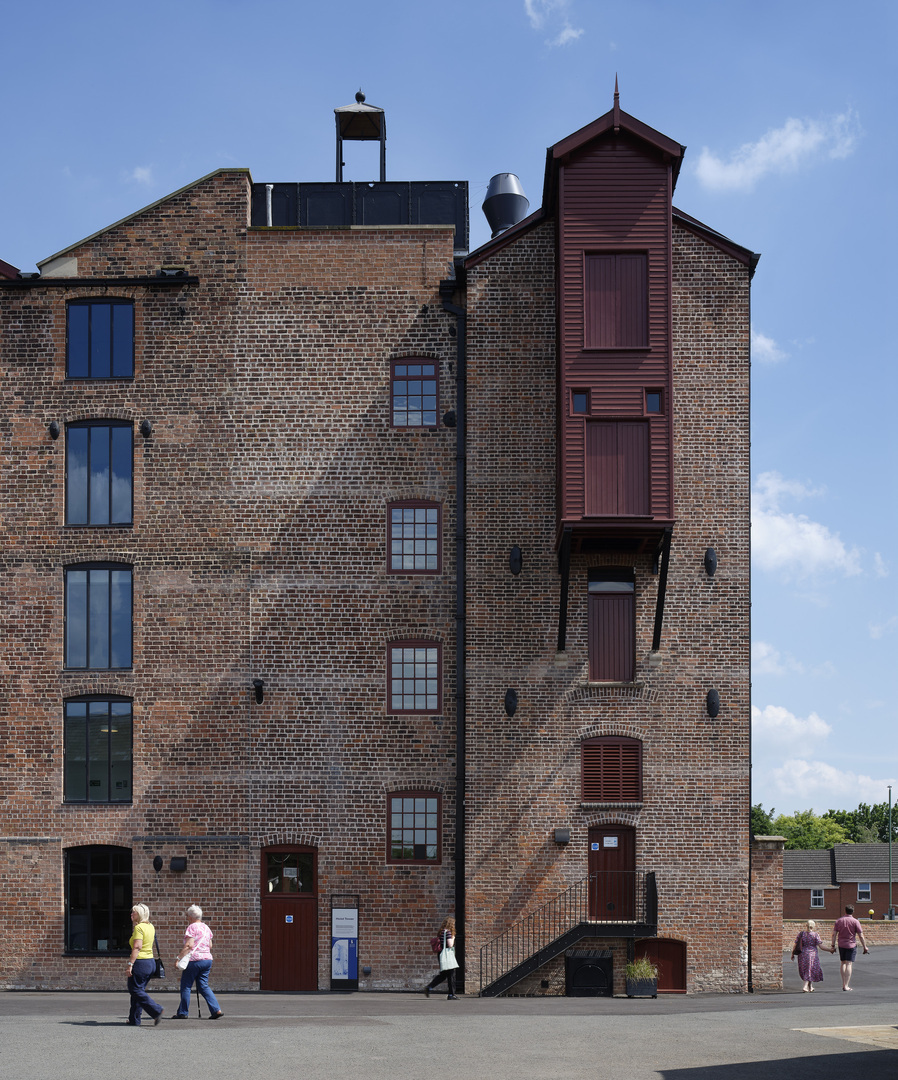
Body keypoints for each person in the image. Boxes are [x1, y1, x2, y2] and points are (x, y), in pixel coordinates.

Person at [172, 904, 224, 1019]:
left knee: (186, 986)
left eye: (187, 916)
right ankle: (216, 1009)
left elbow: (189, 945)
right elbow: (210, 945)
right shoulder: (206, 928)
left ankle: (183, 1012)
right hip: (207, 960)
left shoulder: (191, 927)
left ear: (191, 916)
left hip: (194, 960)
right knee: (203, 986)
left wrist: (178, 958)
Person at [126, 903, 163, 1026]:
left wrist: (130, 964)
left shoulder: (139, 928)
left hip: (140, 963)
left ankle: (157, 1011)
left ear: (140, 914)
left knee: (135, 989)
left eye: (134, 912)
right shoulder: (150, 926)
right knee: (138, 990)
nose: (132, 914)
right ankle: (134, 1020)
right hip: (150, 962)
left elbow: (137, 947)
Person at [831, 904, 869, 991]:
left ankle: (843, 983)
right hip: (851, 945)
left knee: (843, 963)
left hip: (841, 945)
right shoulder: (855, 921)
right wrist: (865, 947)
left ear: (845, 911)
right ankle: (846, 985)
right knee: (849, 963)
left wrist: (833, 946)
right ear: (853, 911)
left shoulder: (839, 921)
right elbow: (861, 936)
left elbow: (834, 934)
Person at [790, 919, 833, 992]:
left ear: (806, 925)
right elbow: (821, 947)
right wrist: (830, 950)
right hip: (812, 955)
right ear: (813, 926)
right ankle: (805, 986)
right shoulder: (815, 935)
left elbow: (795, 945)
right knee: (810, 969)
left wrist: (792, 954)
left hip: (802, 954)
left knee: (806, 969)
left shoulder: (801, 934)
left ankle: (810, 987)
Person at [424, 916, 460, 1000]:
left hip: (442, 955)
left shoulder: (441, 932)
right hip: (447, 955)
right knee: (451, 974)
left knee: (443, 975)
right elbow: (450, 944)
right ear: (451, 924)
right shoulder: (448, 932)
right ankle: (451, 994)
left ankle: (429, 987)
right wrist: (453, 937)